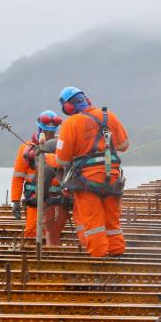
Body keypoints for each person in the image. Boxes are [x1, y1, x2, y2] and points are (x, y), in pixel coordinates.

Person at [54, 87, 129, 258]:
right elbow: (124, 145)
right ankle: (117, 253)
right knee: (112, 221)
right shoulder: (108, 116)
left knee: (93, 224)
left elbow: (62, 160)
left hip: (86, 181)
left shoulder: (70, 124)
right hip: (112, 177)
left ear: (68, 107)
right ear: (86, 100)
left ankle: (100, 259)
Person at [10, 110, 69, 245]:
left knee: (54, 231)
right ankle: (32, 253)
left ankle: (51, 254)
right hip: (34, 197)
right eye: (47, 131)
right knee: (33, 229)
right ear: (40, 129)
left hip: (57, 197)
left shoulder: (60, 147)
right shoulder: (27, 148)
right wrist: (15, 201)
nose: (49, 135)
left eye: (52, 132)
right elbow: (18, 176)